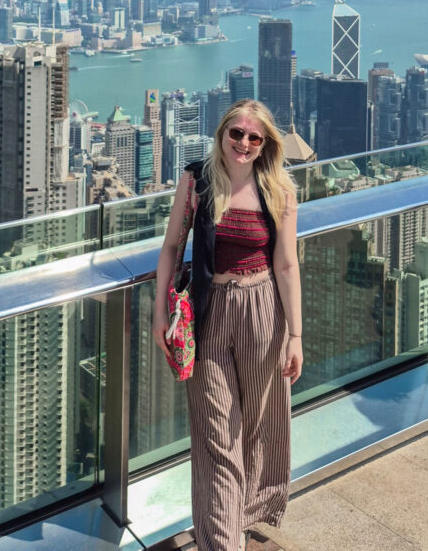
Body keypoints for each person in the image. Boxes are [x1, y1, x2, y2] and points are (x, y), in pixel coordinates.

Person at [154, 99, 303, 551]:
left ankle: (239, 517)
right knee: (217, 434)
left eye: (253, 137)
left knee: (255, 427)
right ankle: (222, 542)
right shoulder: (197, 180)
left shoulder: (280, 190)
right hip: (210, 309)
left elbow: (287, 266)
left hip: (263, 312)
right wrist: (160, 316)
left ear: (265, 145)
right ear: (221, 134)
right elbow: (170, 250)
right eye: (235, 133)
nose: (243, 142)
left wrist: (295, 334)